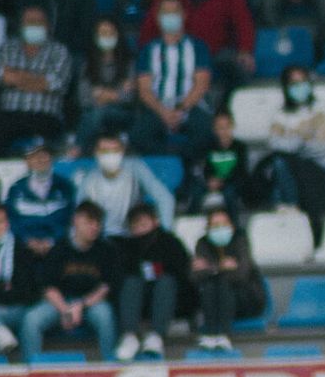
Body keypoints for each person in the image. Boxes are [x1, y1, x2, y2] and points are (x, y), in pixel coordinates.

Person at [139, 0, 256, 107]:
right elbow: (151, 24)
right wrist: (147, 53)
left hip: (216, 53)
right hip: (177, 53)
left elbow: (243, 22)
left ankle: (226, 112)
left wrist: (245, 50)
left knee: (240, 67)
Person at [20, 200, 118, 361]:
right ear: (76, 220)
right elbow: (48, 287)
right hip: (60, 302)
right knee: (32, 319)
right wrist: (66, 310)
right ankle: (31, 368)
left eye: (97, 223)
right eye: (89, 222)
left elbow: (105, 287)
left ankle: (109, 364)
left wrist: (81, 305)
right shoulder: (60, 248)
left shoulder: (106, 250)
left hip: (90, 304)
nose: (94, 227)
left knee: (105, 315)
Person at [255, 65, 325, 245]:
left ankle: (288, 205)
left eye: (302, 82)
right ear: (286, 87)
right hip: (291, 170)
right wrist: (302, 136)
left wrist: (291, 137)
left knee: (282, 161)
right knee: (279, 162)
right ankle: (288, 207)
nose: (299, 87)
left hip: (316, 171)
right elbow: (274, 143)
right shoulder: (280, 114)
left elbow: (321, 147)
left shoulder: (321, 111)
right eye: (294, 83)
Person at [132, 0, 215, 163]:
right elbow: (144, 90)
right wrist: (163, 112)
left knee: (206, 132)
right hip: (158, 106)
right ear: (158, 17)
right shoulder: (149, 50)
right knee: (138, 135)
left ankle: (186, 165)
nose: (170, 16)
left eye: (174, 12)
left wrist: (180, 109)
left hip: (190, 106)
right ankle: (166, 163)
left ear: (184, 15)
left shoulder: (198, 47)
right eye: (166, 12)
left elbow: (201, 84)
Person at [112, 203, 190, 362]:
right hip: (137, 299)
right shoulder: (126, 247)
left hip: (169, 300)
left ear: (155, 222)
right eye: (135, 225)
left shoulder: (170, 242)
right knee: (131, 282)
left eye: (143, 223)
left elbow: (180, 270)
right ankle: (130, 336)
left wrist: (152, 271)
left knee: (166, 282)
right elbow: (122, 273)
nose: (140, 229)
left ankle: (156, 336)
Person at [0, 4, 70, 153]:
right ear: (21, 25)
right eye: (29, 22)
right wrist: (37, 80)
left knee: (50, 141)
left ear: (47, 26)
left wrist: (15, 77)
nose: (34, 25)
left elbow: (55, 83)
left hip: (44, 116)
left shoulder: (59, 51)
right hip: (9, 114)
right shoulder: (7, 48)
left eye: (38, 22)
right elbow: (0, 76)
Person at [190, 206, 264, 352]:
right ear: (208, 228)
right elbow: (195, 276)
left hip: (245, 299)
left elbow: (242, 275)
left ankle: (224, 334)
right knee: (210, 285)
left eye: (224, 224)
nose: (220, 229)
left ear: (232, 226)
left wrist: (211, 268)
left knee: (224, 283)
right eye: (215, 226)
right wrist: (221, 267)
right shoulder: (203, 243)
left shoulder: (240, 240)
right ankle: (211, 333)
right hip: (214, 301)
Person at [74, 132, 174, 236]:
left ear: (122, 151)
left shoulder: (135, 169)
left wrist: (164, 235)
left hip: (133, 236)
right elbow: (80, 216)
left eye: (115, 150)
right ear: (96, 153)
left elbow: (165, 198)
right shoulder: (89, 180)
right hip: (101, 239)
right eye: (105, 151)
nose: (110, 155)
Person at [76, 16, 136, 153]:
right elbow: (83, 99)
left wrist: (99, 93)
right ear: (96, 37)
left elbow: (129, 97)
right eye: (103, 33)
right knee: (95, 114)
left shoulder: (128, 63)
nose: (107, 37)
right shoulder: (87, 64)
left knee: (98, 113)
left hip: (123, 113)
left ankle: (78, 149)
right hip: (93, 112)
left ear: (118, 35)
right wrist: (116, 93)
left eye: (110, 33)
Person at [4, 137, 73, 257]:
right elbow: (11, 219)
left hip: (57, 248)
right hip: (24, 249)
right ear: (27, 160)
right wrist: (27, 240)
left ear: (51, 158)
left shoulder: (65, 187)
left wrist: (52, 240)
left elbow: (70, 217)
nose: (40, 160)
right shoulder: (16, 189)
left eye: (44, 155)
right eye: (35, 156)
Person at [184, 110, 248, 219]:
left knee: (230, 193)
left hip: (230, 182)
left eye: (227, 127)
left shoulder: (240, 147)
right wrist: (210, 180)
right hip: (211, 181)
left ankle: (234, 224)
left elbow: (241, 171)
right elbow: (204, 167)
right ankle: (190, 220)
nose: (224, 131)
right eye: (220, 127)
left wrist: (222, 180)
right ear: (214, 129)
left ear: (233, 127)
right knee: (196, 191)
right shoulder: (208, 146)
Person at [0, 204, 40, 355]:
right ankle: (2, 336)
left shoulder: (21, 250)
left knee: (31, 320)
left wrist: (3, 293)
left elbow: (27, 291)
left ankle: (33, 364)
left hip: (18, 308)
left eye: (0, 221)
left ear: (7, 223)